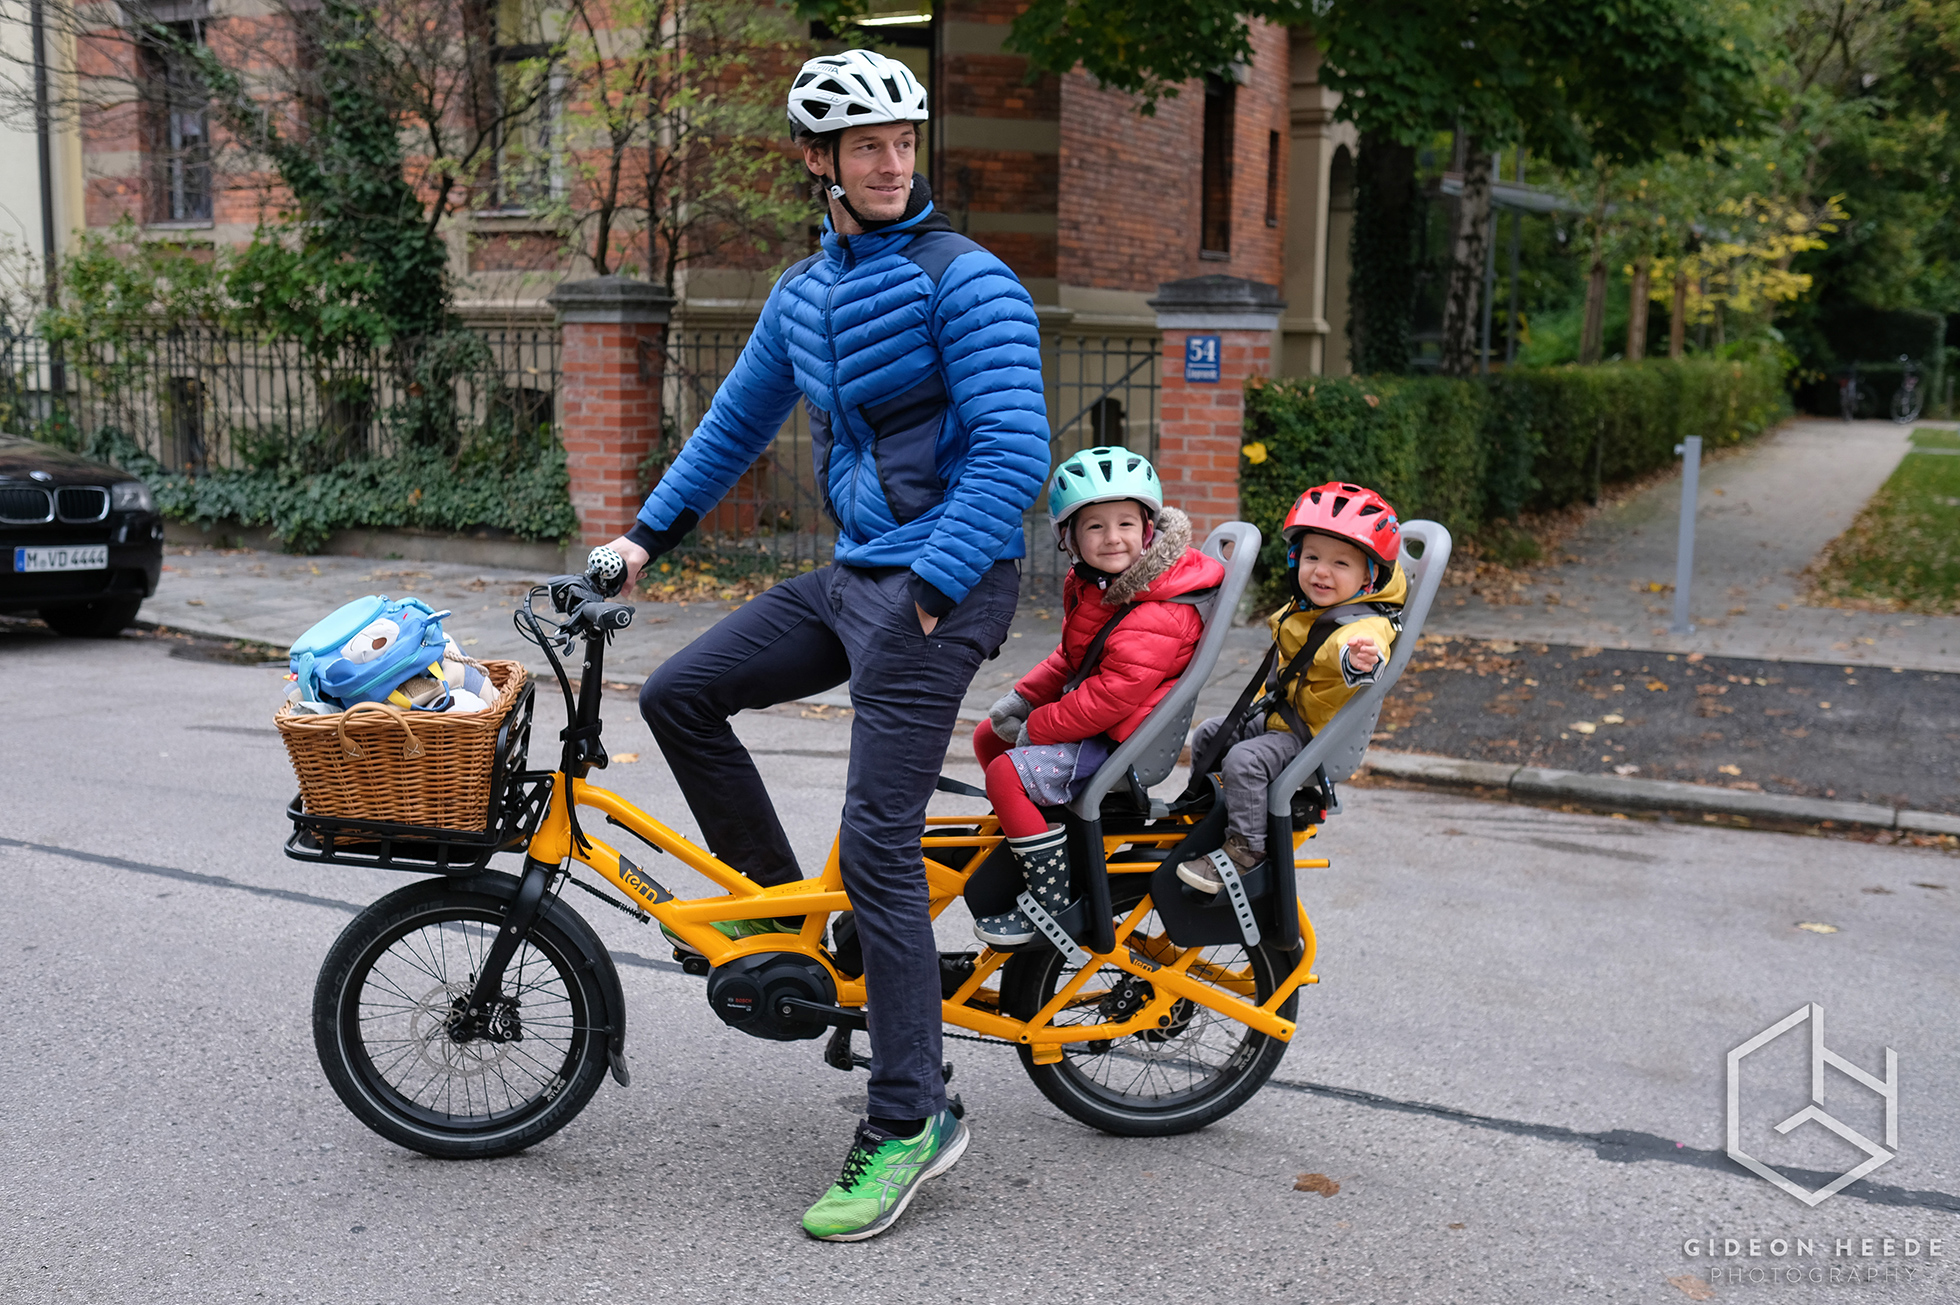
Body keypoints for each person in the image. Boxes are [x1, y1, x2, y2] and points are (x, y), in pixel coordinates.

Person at [600, 49, 1051, 1242]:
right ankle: (774, 919)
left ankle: (912, 1117)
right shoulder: (804, 293)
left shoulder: (972, 282)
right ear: (819, 161)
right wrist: (643, 541)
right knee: (683, 692)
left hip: (941, 585)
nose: (892, 161)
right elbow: (733, 422)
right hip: (857, 573)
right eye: (865, 146)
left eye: (903, 140)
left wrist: (926, 591)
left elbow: (1012, 460)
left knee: (879, 850)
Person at [973, 447, 1223, 946]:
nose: (1113, 538)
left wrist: (1038, 726)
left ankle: (1051, 900)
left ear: (1149, 529)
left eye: (1126, 524)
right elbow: (1072, 659)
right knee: (987, 737)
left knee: (1006, 770)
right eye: (1095, 527)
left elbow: (1111, 696)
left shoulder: (1158, 609)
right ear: (1069, 538)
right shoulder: (1103, 587)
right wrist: (1023, 700)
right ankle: (1036, 834)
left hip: (1118, 742)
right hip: (1099, 726)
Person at [1177, 482, 1404, 892]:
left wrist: (1358, 658)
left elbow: (1349, 647)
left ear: (1369, 577)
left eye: (1340, 564)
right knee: (1210, 733)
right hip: (1279, 719)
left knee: (1245, 760)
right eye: (1312, 557)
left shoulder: (1362, 625)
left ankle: (1246, 850)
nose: (1321, 571)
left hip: (1312, 737)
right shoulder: (1308, 608)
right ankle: (1209, 819)